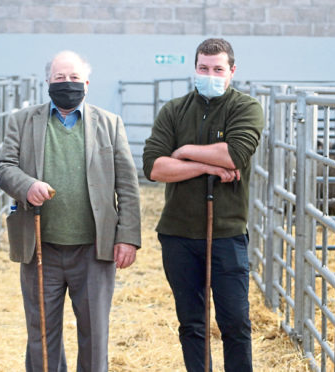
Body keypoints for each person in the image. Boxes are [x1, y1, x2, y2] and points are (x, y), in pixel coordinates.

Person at [0, 50, 141, 372]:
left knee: (94, 334)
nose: (67, 83)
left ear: (87, 83)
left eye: (74, 78)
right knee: (42, 334)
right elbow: (4, 167)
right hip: (40, 248)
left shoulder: (109, 124)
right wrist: (26, 185)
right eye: (60, 77)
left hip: (93, 250)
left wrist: (128, 237)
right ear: (47, 81)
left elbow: (127, 185)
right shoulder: (23, 121)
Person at [142, 38, 264, 372]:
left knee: (235, 322)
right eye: (203, 68)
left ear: (232, 71)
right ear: (195, 68)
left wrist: (182, 151)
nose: (209, 74)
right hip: (178, 234)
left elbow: (234, 153)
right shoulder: (174, 110)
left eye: (217, 69)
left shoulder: (246, 107)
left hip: (227, 234)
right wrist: (208, 165)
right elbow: (154, 167)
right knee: (191, 323)